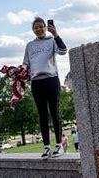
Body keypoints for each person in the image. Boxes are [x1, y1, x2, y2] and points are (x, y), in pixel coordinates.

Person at [23, 17, 67, 159]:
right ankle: (46, 146)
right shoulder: (30, 45)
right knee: (42, 115)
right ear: (33, 30)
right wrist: (19, 74)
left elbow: (63, 51)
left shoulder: (52, 41)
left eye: (41, 26)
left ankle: (59, 145)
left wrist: (56, 35)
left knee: (54, 112)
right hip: (37, 83)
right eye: (36, 27)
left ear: (45, 27)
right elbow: (26, 65)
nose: (39, 29)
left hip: (51, 80)